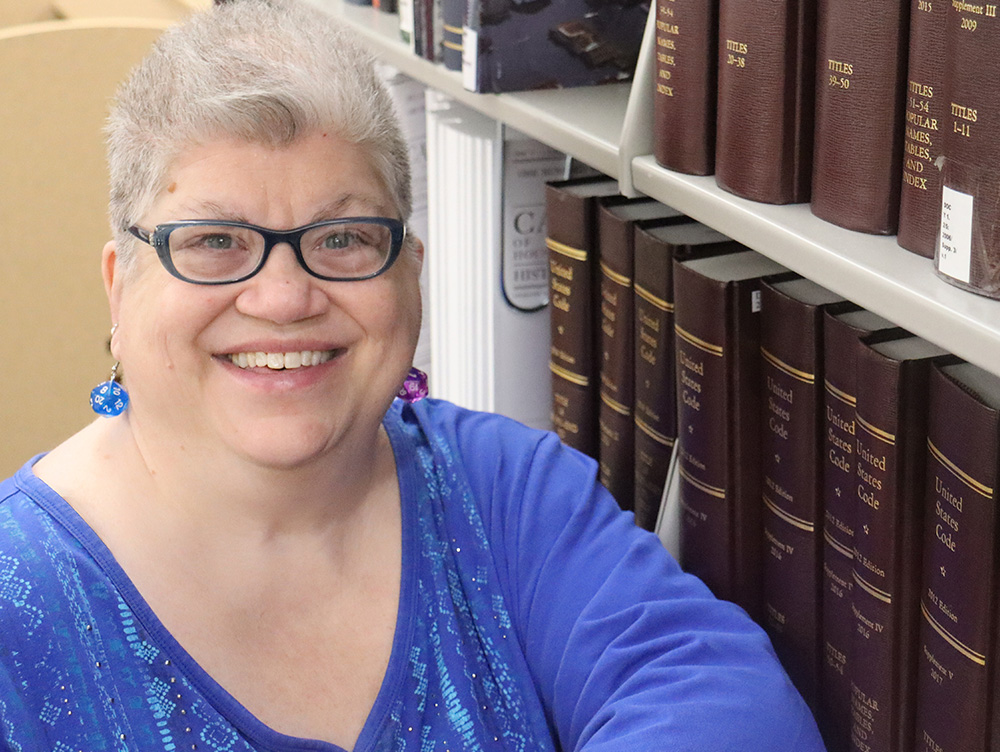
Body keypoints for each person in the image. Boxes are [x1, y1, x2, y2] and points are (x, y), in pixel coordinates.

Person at [0, 1, 827, 750]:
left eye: (343, 239)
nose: (285, 298)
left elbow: (730, 708)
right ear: (120, 284)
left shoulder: (508, 492)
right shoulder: (16, 598)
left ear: (409, 274)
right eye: (216, 242)